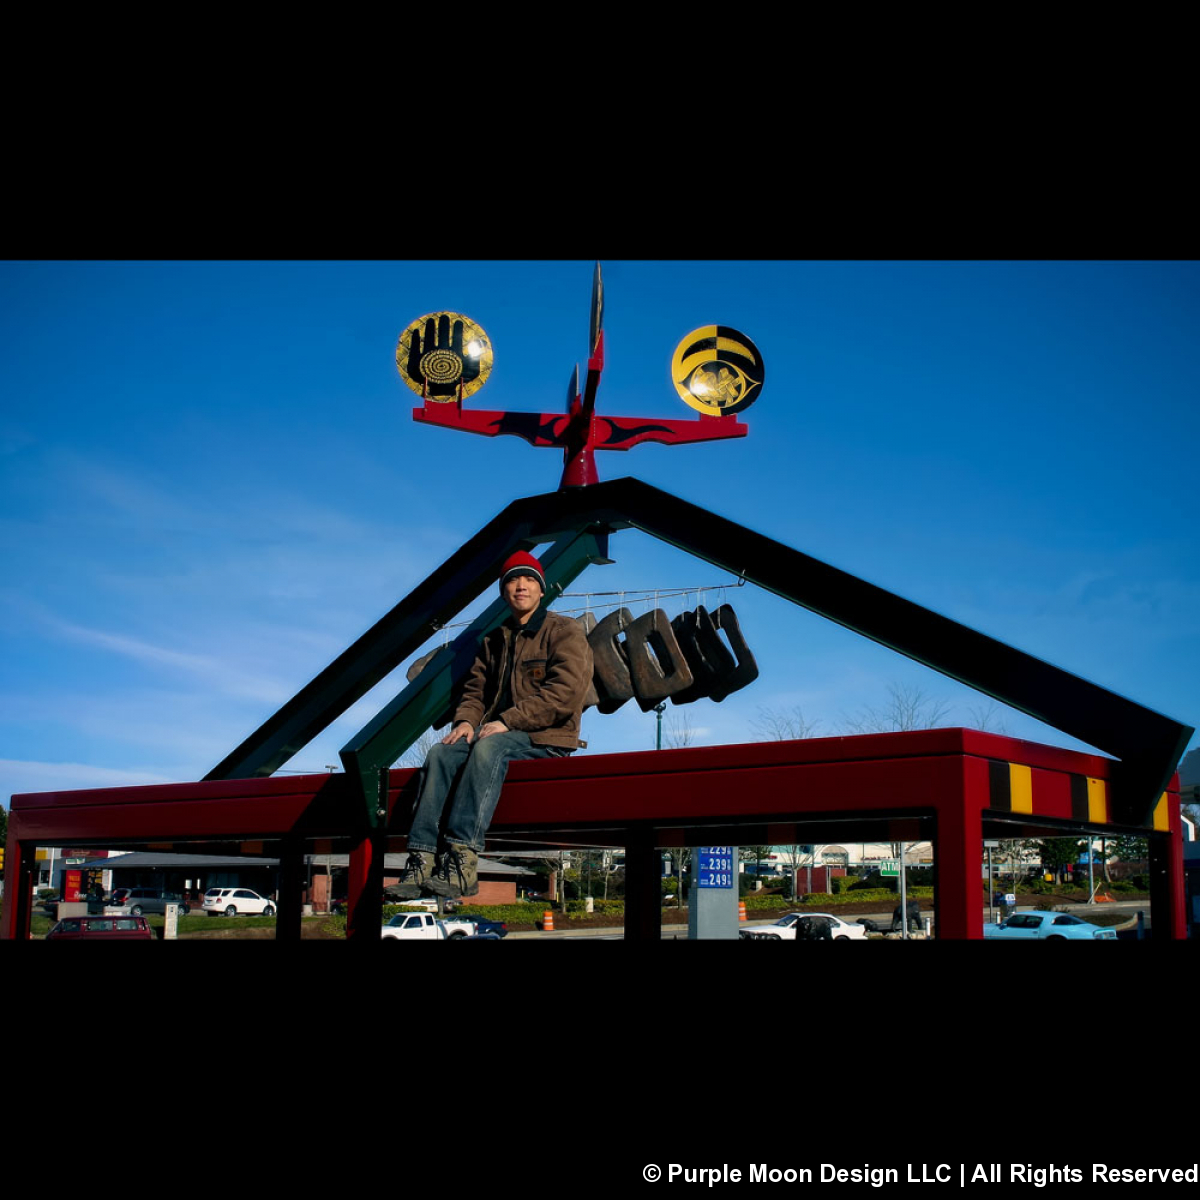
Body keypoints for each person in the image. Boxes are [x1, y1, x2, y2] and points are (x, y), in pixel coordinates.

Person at [396, 550, 593, 898]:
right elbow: (474, 692)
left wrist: (506, 720)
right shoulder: (495, 640)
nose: (521, 586)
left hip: (545, 740)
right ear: (504, 592)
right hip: (494, 737)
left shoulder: (564, 631)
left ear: (542, 589)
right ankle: (421, 860)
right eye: (513, 580)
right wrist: (466, 722)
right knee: (442, 754)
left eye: (529, 579)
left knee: (490, 746)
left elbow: (564, 694)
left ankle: (462, 862)